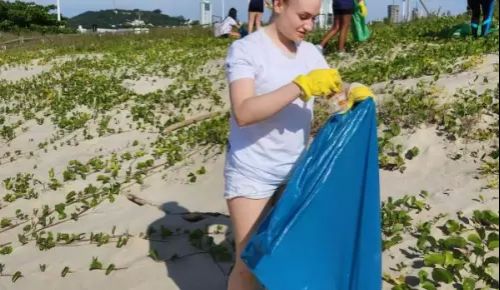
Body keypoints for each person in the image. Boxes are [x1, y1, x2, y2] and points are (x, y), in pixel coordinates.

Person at [224, 0, 345, 289]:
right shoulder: (245, 49)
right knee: (248, 265)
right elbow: (244, 112)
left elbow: (335, 96)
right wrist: (299, 87)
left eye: (315, 19)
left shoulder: (312, 53)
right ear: (278, 4)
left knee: (291, 256)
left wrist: (352, 94)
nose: (309, 26)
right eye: (303, 16)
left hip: (296, 173)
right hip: (252, 172)